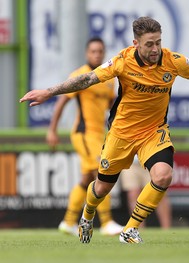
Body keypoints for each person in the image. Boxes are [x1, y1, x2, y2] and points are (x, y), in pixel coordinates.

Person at [20, 16, 189, 244]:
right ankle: (87, 214)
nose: (155, 48)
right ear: (136, 43)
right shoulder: (123, 61)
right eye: (149, 44)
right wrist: (49, 92)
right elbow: (88, 78)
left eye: (158, 42)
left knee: (164, 175)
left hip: (153, 132)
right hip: (121, 134)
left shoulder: (172, 61)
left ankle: (130, 229)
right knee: (101, 188)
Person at [46, 37, 123, 236]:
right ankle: (107, 222)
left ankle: (68, 222)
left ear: (104, 53)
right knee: (101, 173)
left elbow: (108, 105)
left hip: (99, 135)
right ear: (87, 53)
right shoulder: (80, 75)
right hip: (83, 133)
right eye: (93, 51)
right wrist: (52, 130)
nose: (97, 54)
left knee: (85, 179)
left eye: (100, 51)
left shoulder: (108, 78)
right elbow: (62, 102)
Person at [120, 156, 172, 229]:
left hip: (150, 160)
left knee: (159, 193)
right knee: (133, 194)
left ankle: (167, 228)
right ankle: (138, 228)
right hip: (130, 162)